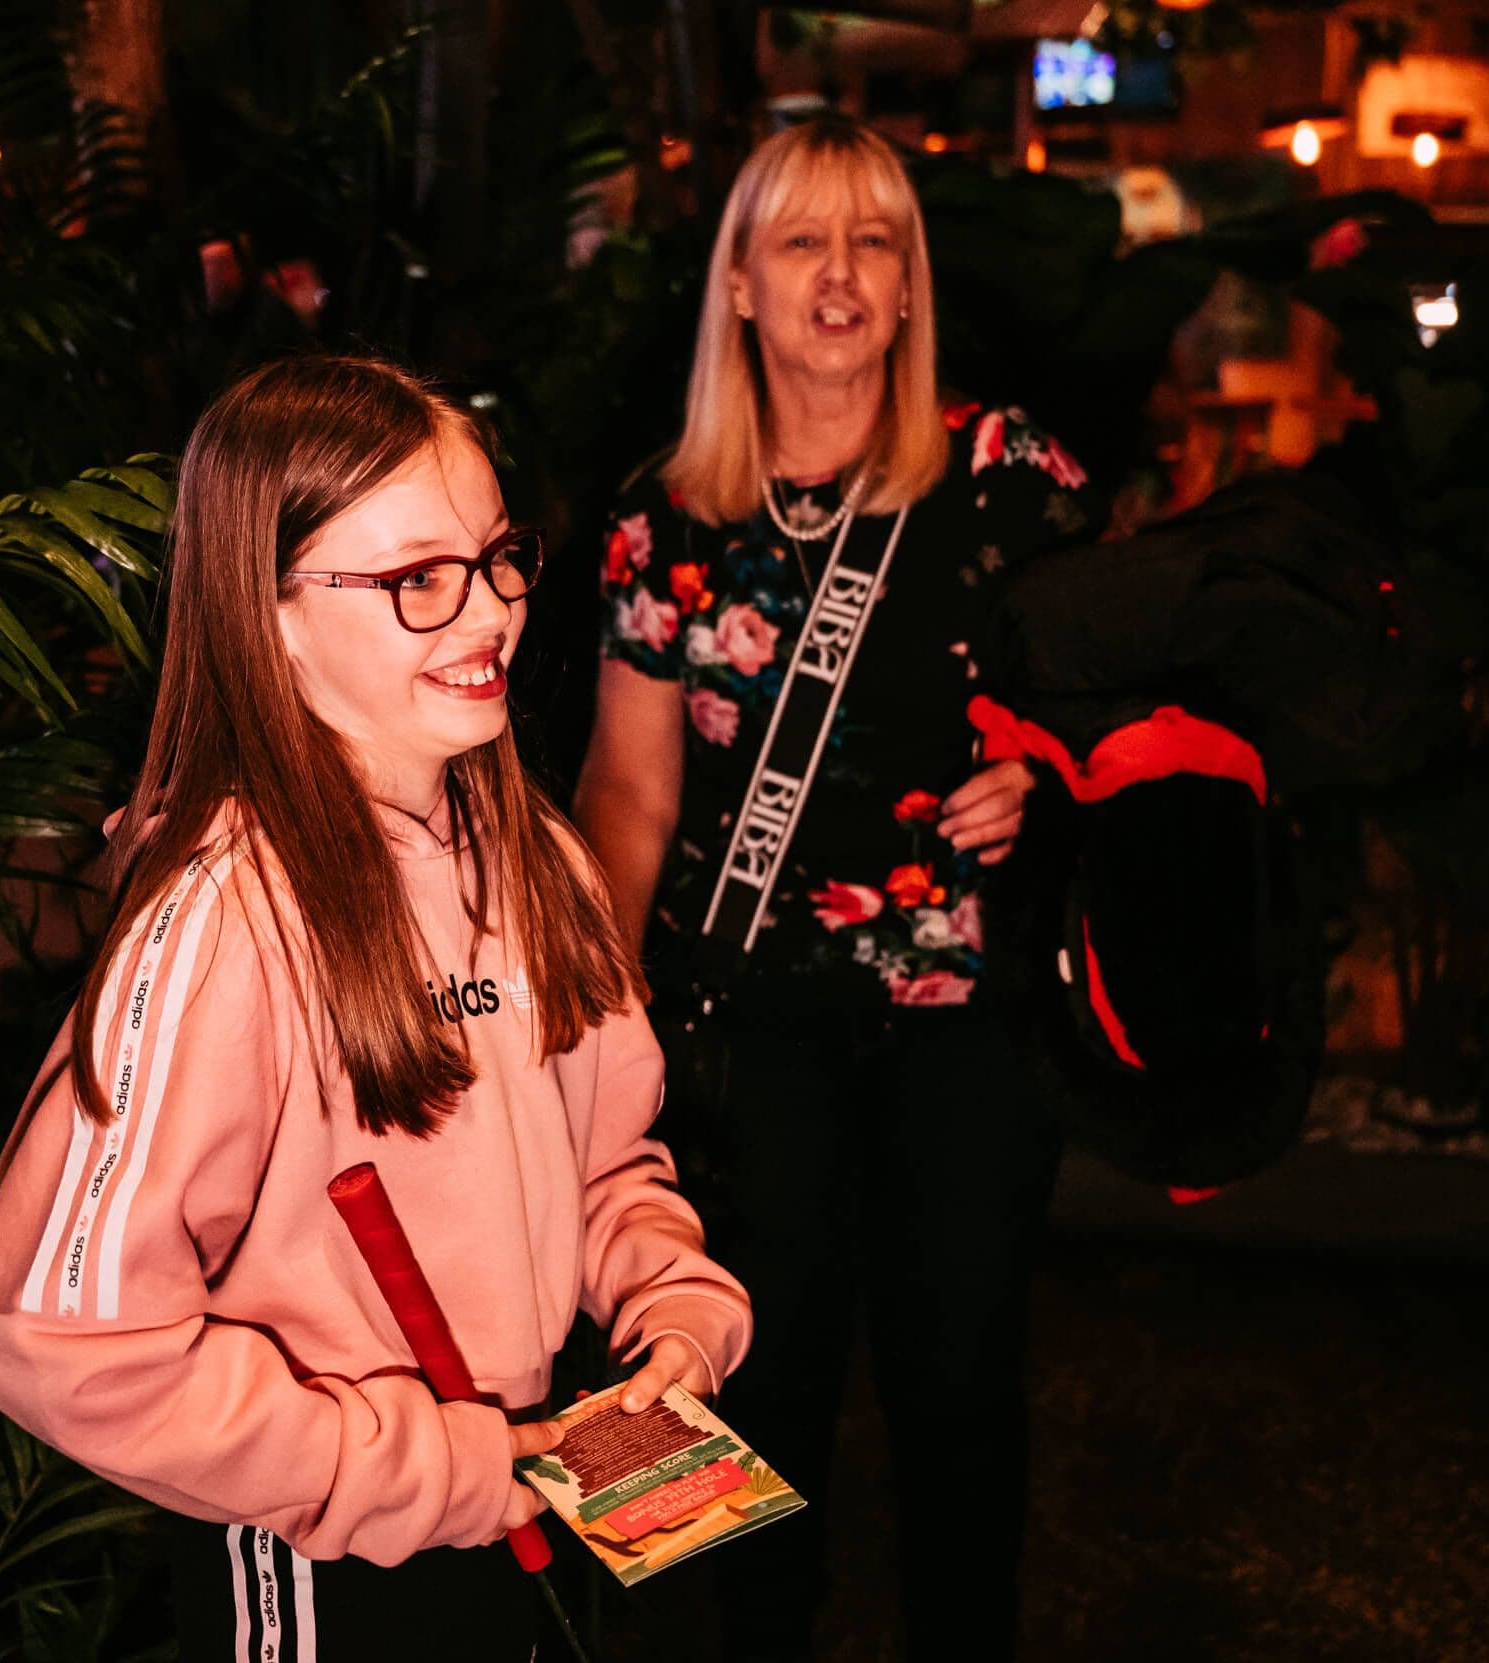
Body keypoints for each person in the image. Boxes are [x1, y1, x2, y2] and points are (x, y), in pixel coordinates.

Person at [0, 354, 753, 1663]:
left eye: (498, 559)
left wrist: (671, 1309)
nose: (488, 617)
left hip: (555, 1479)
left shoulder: (534, 856)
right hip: (336, 1562)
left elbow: (610, 1156)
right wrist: (408, 1467)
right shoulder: (226, 923)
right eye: (415, 580)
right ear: (270, 613)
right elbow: (51, 1340)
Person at [573, 118, 1101, 1660]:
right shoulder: (662, 518)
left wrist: (1055, 774)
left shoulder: (1010, 472)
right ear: (738, 282)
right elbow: (626, 798)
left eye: (875, 240)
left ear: (910, 278)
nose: (842, 274)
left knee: (959, 1384)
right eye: (802, 240)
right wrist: (588, 1033)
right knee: (733, 1390)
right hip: (746, 1029)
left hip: (965, 1018)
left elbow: (1126, 707)